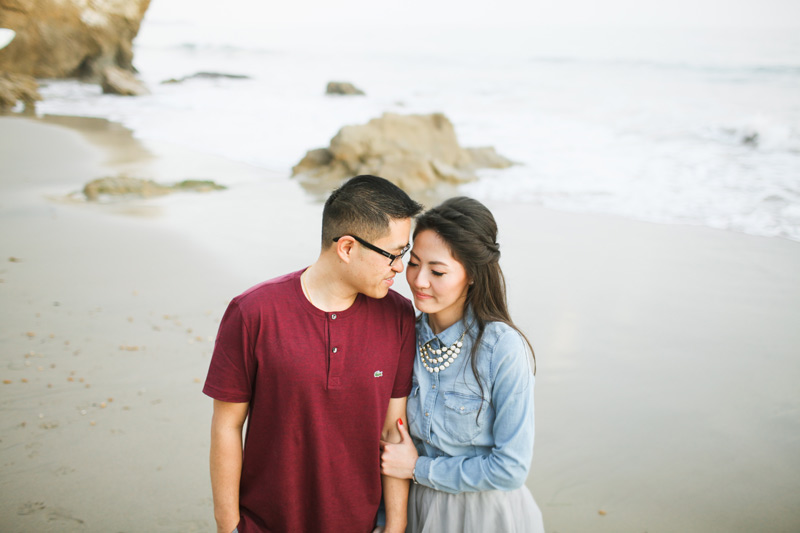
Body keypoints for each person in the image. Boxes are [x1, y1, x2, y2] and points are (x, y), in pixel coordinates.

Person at [203, 175, 423, 533]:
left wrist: (395, 527)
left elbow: (393, 430)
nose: (400, 267)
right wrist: (229, 526)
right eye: (393, 254)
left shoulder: (398, 316)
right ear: (347, 248)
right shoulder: (252, 312)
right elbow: (227, 425)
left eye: (404, 253)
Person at [380, 196, 545, 532]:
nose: (419, 280)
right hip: (418, 512)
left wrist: (418, 469)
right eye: (413, 263)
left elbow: (511, 469)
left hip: (486, 516)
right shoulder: (401, 337)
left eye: (437, 271)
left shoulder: (502, 349)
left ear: (471, 275)